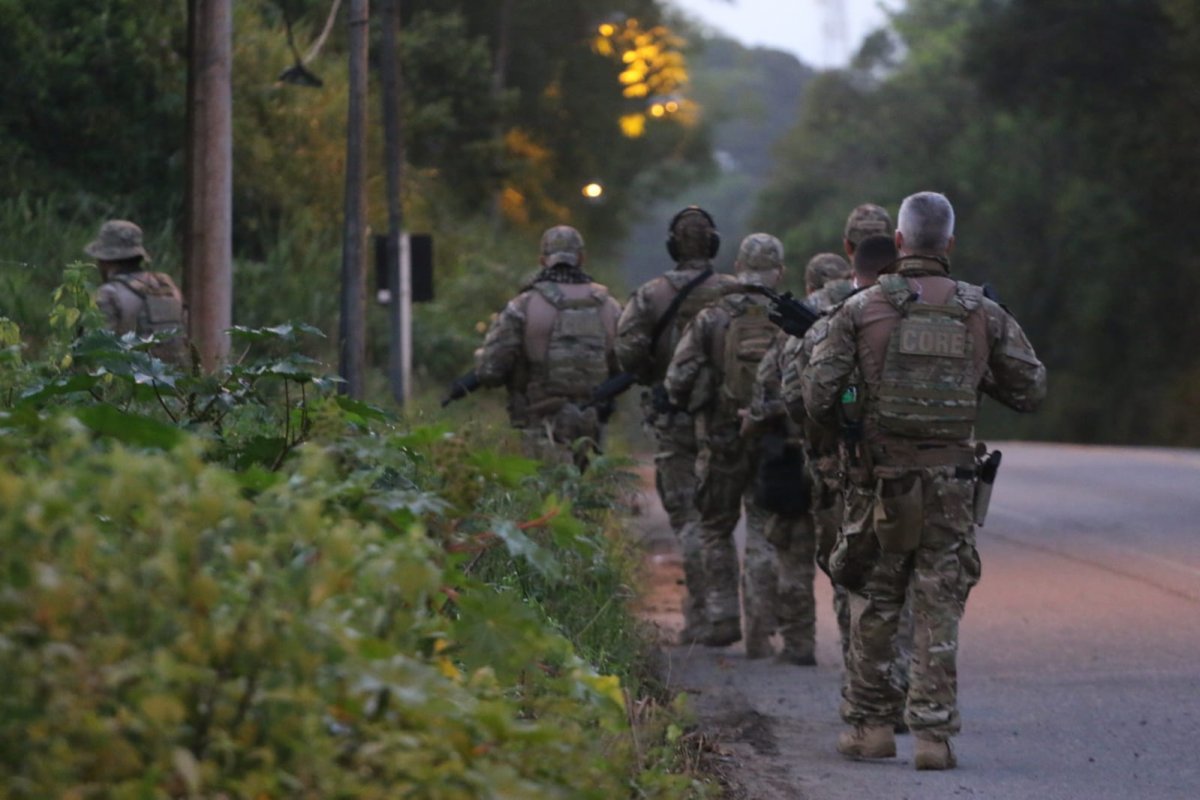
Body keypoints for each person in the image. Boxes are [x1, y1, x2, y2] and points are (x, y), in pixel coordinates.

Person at [799, 191, 1046, 770]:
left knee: (876, 599)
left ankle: (871, 727)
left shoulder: (860, 310)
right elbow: (1031, 390)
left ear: (901, 243)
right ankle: (933, 738)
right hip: (953, 485)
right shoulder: (980, 311)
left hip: (879, 481)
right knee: (939, 603)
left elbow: (815, 397)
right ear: (950, 245)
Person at [615, 207, 738, 644]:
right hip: (728, 421)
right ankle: (730, 610)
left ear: (672, 245)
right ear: (713, 243)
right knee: (722, 518)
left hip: (674, 420)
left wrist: (655, 368)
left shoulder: (651, 295)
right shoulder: (736, 293)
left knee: (688, 517)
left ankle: (703, 615)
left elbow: (626, 353)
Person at [664, 233, 787, 652]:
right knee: (763, 530)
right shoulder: (789, 315)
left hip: (718, 438)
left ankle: (722, 616)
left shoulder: (711, 317)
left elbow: (676, 378)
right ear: (779, 271)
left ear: (738, 268)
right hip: (772, 438)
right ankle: (760, 629)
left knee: (715, 527)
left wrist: (688, 405)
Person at [743, 251, 852, 664]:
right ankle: (855, 649)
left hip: (793, 461)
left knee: (793, 557)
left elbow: (768, 397)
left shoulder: (790, 332)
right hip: (845, 463)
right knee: (850, 559)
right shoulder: (860, 322)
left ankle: (799, 643)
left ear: (810, 287)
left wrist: (755, 422)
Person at [474, 225, 622, 470]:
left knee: (547, 501)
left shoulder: (523, 305)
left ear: (543, 260)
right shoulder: (609, 306)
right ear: (581, 258)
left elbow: (490, 370)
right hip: (591, 425)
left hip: (541, 423)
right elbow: (625, 364)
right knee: (579, 495)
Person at [86, 219, 188, 364]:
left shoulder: (109, 293)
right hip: (178, 380)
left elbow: (99, 351)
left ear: (105, 261)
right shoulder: (165, 284)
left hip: (135, 380)